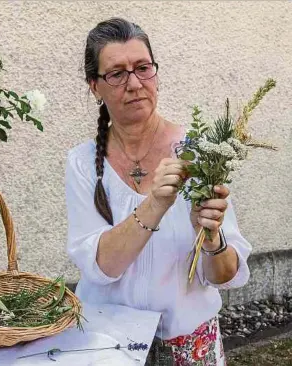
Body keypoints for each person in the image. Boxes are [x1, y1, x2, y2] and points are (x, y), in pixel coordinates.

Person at [65, 18, 252, 366]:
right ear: (95, 87)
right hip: (108, 346)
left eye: (143, 68)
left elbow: (224, 276)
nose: (134, 83)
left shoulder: (199, 153)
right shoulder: (81, 163)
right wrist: (154, 205)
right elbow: (101, 268)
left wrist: (212, 240)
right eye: (117, 73)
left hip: (189, 347)